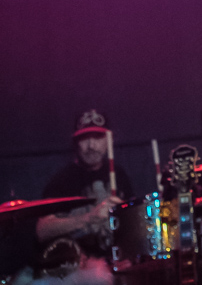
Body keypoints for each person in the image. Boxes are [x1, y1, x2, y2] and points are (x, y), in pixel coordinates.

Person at [34, 110, 133, 285]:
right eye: (84, 139)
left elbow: (133, 222)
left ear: (109, 140)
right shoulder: (62, 181)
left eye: (98, 138)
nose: (91, 146)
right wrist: (88, 218)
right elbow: (42, 230)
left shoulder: (119, 175)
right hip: (77, 270)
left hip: (115, 262)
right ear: (75, 143)